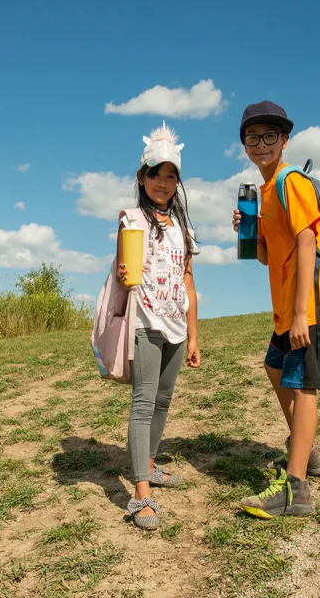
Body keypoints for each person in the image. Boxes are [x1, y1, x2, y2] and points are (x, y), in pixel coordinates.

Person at [232, 101, 320, 517]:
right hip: (286, 308)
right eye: (252, 137)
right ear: (244, 145)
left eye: (270, 136)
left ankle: (295, 490)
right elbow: (267, 258)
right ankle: (305, 451)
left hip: (304, 306)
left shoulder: (292, 182)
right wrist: (251, 235)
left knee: (302, 385)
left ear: (284, 140)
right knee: (275, 367)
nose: (261, 144)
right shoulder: (267, 191)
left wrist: (300, 315)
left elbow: (309, 243)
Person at [118, 123, 201, 530]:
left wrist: (194, 336)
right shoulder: (132, 219)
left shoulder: (184, 229)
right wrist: (121, 273)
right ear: (141, 177)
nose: (163, 183)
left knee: (164, 400)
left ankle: (150, 466)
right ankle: (141, 495)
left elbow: (189, 283)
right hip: (146, 321)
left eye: (171, 176)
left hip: (176, 325)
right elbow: (125, 273)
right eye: (156, 174)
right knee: (144, 401)